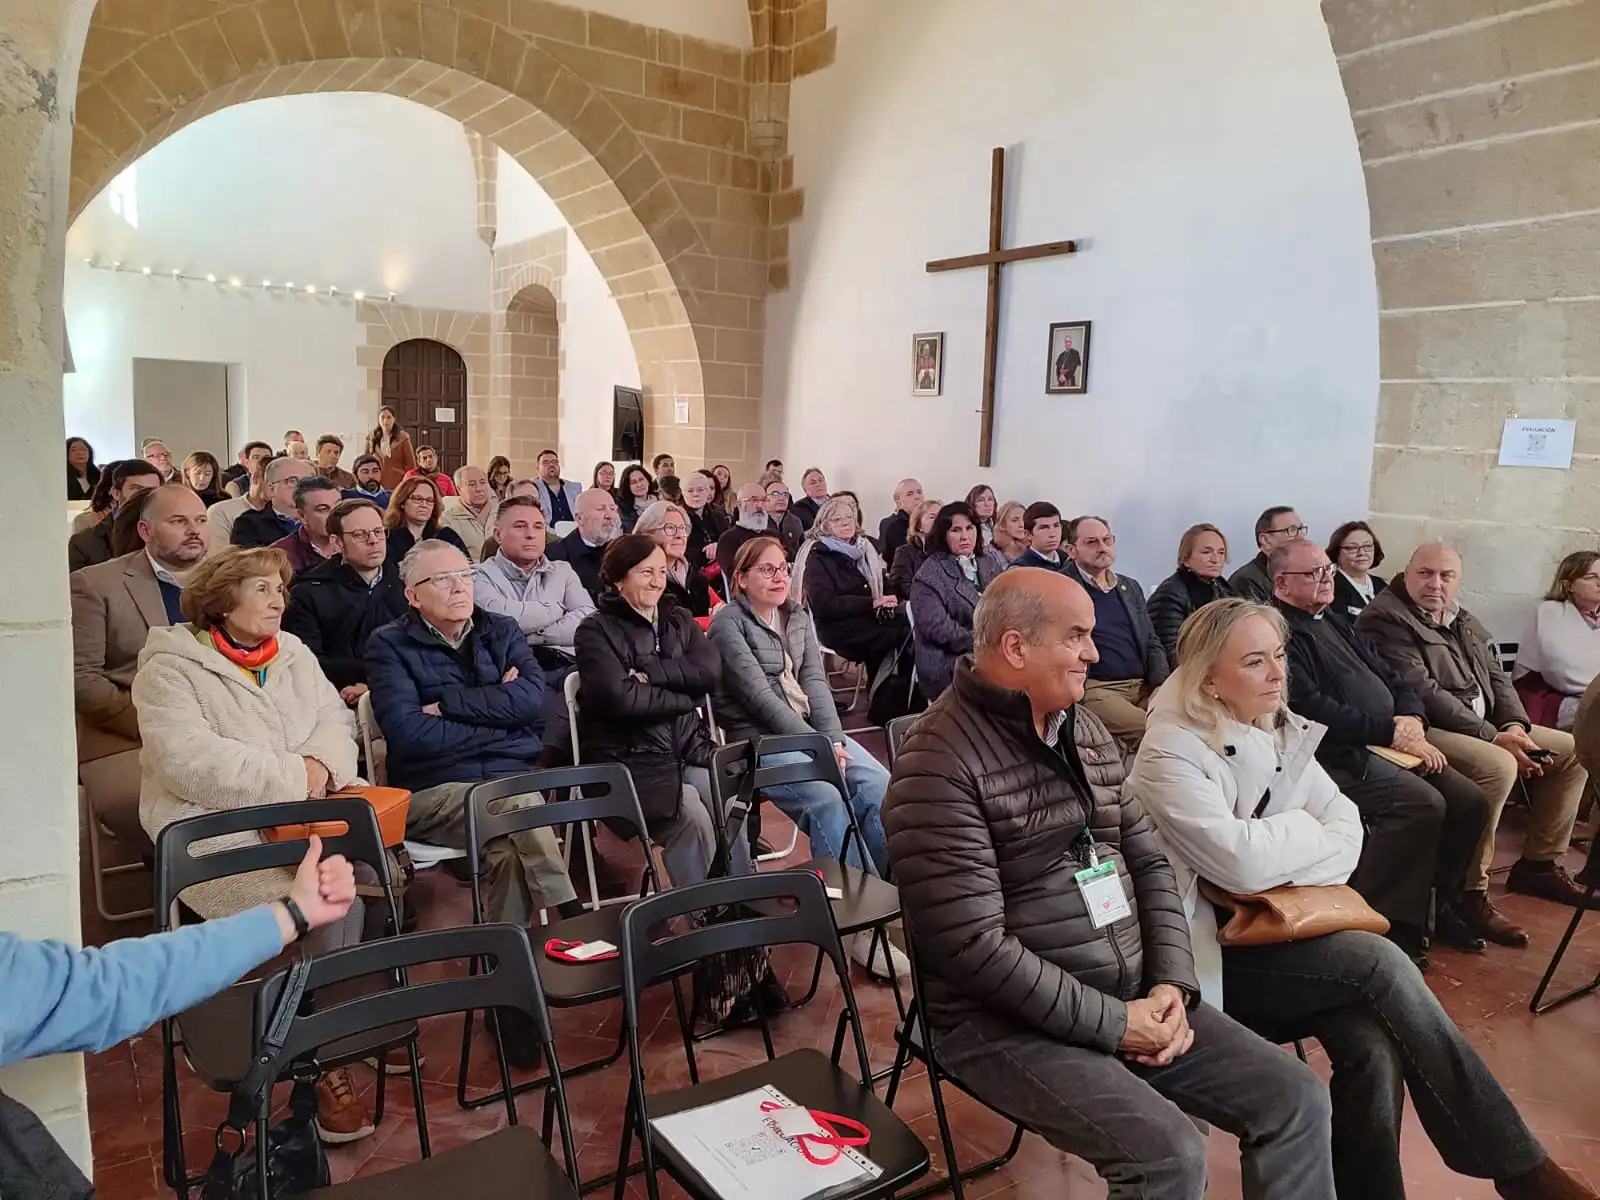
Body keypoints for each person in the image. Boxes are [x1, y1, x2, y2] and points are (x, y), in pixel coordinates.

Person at [884, 569, 1335, 1200]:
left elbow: (1150, 863)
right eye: (1076, 637)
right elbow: (972, 949)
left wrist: (1173, 983)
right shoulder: (938, 762)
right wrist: (1116, 1023)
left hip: (1129, 990)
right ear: (1016, 648)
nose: (1094, 653)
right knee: (1169, 1156)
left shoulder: (1082, 727)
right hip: (998, 1022)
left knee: (1296, 1098)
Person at [1127, 599, 1592, 1200]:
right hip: (1204, 957)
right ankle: (1518, 1167)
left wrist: (1278, 844)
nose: (1276, 673)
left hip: (1277, 931)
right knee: (1380, 962)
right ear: (1209, 679)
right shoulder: (1170, 749)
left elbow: (1348, 835)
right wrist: (1299, 835)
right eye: (1254, 662)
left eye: (1278, 656)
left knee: (1371, 1043)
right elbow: (1238, 865)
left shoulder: (1273, 722)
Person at [134, 546, 374, 1143]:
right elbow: (190, 762)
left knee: (364, 893)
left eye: (281, 589)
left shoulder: (290, 653)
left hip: (301, 819)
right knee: (301, 912)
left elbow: (334, 721)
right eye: (263, 589)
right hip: (213, 832)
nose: (279, 601)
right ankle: (312, 1058)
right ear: (222, 598)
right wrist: (300, 776)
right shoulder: (170, 666)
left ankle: (327, 1036)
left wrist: (318, 767)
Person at [365, 539, 582, 1062]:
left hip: (506, 787)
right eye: (442, 580)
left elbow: (532, 708)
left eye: (464, 575)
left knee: (508, 851)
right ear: (413, 595)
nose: (460, 587)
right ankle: (570, 916)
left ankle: (505, 1003)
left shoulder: (500, 629)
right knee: (511, 803)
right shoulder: (388, 644)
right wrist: (497, 720)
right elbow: (410, 734)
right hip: (431, 793)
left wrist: (452, 707)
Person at [1358, 543, 1593, 938]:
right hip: (1426, 727)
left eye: (1446, 576)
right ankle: (1468, 890)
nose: (1436, 584)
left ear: (1459, 581)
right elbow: (1425, 691)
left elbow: (1498, 677)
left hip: (1489, 724)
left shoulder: (1462, 617)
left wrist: (1516, 725)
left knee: (1573, 752)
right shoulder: (1384, 618)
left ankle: (1539, 864)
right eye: (1425, 573)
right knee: (1496, 765)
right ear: (1407, 573)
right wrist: (1494, 737)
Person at [1271, 538, 1489, 966]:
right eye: (1313, 574)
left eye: (1328, 572)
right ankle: (1385, 925)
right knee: (1420, 805)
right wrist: (1389, 730)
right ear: (1281, 582)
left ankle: (1438, 907)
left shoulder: (1335, 621)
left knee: (1470, 802)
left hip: (1389, 741)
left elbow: (1394, 675)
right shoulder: (1278, 631)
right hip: (1336, 753)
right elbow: (1309, 707)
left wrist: (1410, 715)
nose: (1326, 580)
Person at [709, 536, 903, 975]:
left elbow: (816, 683)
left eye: (782, 568)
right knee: (827, 799)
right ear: (740, 579)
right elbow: (761, 699)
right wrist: (820, 748)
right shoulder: (728, 626)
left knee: (880, 786)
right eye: (766, 570)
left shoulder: (796, 616)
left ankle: (886, 899)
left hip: (814, 736)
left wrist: (833, 739)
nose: (779, 578)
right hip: (758, 742)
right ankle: (856, 927)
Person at [574, 535, 743, 889]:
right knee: (692, 814)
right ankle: (706, 913)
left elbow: (710, 672)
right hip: (630, 762)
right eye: (645, 572)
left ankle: (744, 898)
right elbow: (620, 699)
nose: (656, 580)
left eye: (662, 571)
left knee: (730, 801)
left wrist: (650, 676)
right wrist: (686, 697)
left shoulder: (678, 618)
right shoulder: (594, 630)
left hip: (687, 749)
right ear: (618, 579)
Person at [72, 485, 209, 854]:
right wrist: (158, 721)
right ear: (146, 531)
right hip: (126, 733)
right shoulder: (95, 584)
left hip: (219, 726)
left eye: (200, 520)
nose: (194, 530)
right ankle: (187, 895)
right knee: (171, 817)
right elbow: (80, 680)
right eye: (179, 521)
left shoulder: (225, 580)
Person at [473, 496, 595, 762]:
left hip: (568, 663)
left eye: (538, 527)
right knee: (557, 712)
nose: (531, 534)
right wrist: (555, 609)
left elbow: (587, 620)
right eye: (520, 526)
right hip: (515, 670)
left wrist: (533, 634)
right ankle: (544, 783)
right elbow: (502, 621)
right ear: (497, 534)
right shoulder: (479, 576)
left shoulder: (562, 570)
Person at [281, 498, 406, 706]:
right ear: (337, 543)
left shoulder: (407, 584)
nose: (373, 540)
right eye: (360, 534)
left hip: (401, 690)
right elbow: (307, 661)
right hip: (331, 698)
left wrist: (375, 684)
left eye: (378, 531)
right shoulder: (308, 591)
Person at [1063, 515, 1171, 750]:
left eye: (1107, 540)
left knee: (1189, 723)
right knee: (1158, 732)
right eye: (1091, 542)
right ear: (1070, 550)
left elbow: (1151, 640)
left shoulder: (1129, 586)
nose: (1102, 548)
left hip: (1143, 686)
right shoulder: (1063, 588)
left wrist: (1162, 685)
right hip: (1098, 688)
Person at [909, 502, 1006, 699]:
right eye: (956, 530)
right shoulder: (929, 575)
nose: (965, 537)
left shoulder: (987, 562)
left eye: (970, 528)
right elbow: (939, 630)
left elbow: (1007, 604)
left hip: (992, 648)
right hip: (949, 659)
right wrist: (986, 644)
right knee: (1008, 678)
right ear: (943, 534)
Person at [804, 495, 904, 676]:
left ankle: (899, 695)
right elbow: (823, 604)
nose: (845, 523)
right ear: (825, 526)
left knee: (912, 627)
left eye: (849, 517)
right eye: (837, 519)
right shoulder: (818, 555)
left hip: (873, 617)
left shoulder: (866, 548)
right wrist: (871, 603)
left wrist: (890, 597)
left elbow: (885, 582)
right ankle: (884, 696)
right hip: (838, 626)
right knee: (899, 636)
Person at [1515, 550, 1600, 730]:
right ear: (1569, 585)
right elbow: (1564, 672)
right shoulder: (1550, 612)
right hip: (1553, 696)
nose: (1599, 582)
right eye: (1591, 577)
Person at [1147, 522, 1234, 665]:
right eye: (1206, 552)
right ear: (1186, 558)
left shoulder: (1223, 589)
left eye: (1221, 553)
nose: (1215, 559)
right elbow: (1170, 652)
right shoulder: (1170, 595)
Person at [68, 459, 162, 571]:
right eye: (137, 489)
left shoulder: (174, 534)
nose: (146, 495)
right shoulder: (83, 544)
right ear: (116, 493)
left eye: (153, 490)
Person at [634, 500, 716, 618]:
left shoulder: (697, 578)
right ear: (646, 533)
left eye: (683, 528)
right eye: (670, 528)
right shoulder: (641, 579)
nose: (679, 535)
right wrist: (710, 621)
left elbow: (723, 612)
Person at [547, 486, 619, 599]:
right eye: (601, 509)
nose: (609, 516)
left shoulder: (622, 552)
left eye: (613, 509)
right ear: (579, 518)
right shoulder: (554, 555)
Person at [383, 475, 468, 566]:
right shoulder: (387, 537)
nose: (424, 505)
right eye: (417, 499)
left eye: (429, 500)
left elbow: (466, 566)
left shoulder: (446, 535)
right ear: (402, 502)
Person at [231, 456, 313, 549]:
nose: (301, 487)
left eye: (306, 481)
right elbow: (250, 562)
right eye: (292, 481)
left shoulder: (324, 519)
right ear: (271, 489)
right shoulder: (248, 524)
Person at [1230, 505, 1307, 601]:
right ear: (1265, 540)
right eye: (1292, 530)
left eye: (1300, 529)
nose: (1301, 537)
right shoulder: (1246, 582)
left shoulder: (1302, 574)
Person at [270, 474, 342, 574]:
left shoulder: (359, 545)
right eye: (323, 509)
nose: (335, 515)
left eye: (339, 506)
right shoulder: (282, 556)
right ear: (302, 516)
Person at [716, 481, 780, 579]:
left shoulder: (774, 536)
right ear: (739, 505)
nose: (759, 505)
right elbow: (735, 576)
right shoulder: (728, 539)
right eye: (753, 500)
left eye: (763, 500)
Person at [1327, 520, 1387, 620]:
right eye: (1352, 548)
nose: (1362, 553)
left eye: (1367, 546)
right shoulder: (1331, 586)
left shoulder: (1381, 585)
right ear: (1337, 553)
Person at [440, 464, 496, 562]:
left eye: (483, 482)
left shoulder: (503, 513)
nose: (479, 489)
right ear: (459, 489)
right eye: (472, 484)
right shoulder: (447, 519)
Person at [888, 498, 941, 600]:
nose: (938, 521)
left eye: (941, 517)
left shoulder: (950, 551)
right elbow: (901, 588)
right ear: (919, 524)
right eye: (932, 517)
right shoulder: (905, 552)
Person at [682, 469, 730, 568]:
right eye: (690, 490)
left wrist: (718, 546)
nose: (696, 494)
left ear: (708, 492)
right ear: (683, 493)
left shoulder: (718, 516)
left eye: (700, 490)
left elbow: (729, 540)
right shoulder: (677, 517)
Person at [1010, 500, 1071, 572]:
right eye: (1044, 528)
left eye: (1056, 526)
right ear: (1028, 534)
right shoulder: (1020, 570)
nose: (1052, 534)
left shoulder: (1069, 560)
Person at [367, 405, 417, 491]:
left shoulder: (403, 438)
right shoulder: (371, 437)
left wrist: (410, 485)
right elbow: (365, 460)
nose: (385, 421)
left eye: (389, 417)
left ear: (394, 419)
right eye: (382, 417)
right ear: (378, 419)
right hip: (376, 482)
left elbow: (411, 465)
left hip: (397, 483)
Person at [877, 477, 924, 563]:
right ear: (898, 501)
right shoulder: (889, 524)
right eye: (910, 494)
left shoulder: (929, 521)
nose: (917, 497)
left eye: (919, 492)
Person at [761, 474, 806, 559]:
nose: (781, 498)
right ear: (765, 498)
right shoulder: (757, 521)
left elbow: (801, 551)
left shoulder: (795, 521)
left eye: (785, 494)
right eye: (775, 494)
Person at [534, 448, 582, 526]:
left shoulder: (575, 488)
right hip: (547, 533)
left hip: (573, 531)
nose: (551, 465)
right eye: (545, 462)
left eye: (554, 462)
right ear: (538, 468)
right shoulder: (533, 488)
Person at [615, 463, 654, 532]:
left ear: (648, 480)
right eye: (634, 482)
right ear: (628, 487)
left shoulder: (660, 503)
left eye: (641, 479)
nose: (639, 484)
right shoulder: (621, 509)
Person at [792, 466, 829, 531]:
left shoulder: (837, 502)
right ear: (805, 489)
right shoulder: (798, 508)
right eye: (813, 483)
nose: (818, 484)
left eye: (821, 480)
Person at [67, 436, 100, 501]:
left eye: (83, 449)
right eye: (73, 450)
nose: (80, 453)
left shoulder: (99, 476)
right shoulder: (63, 478)